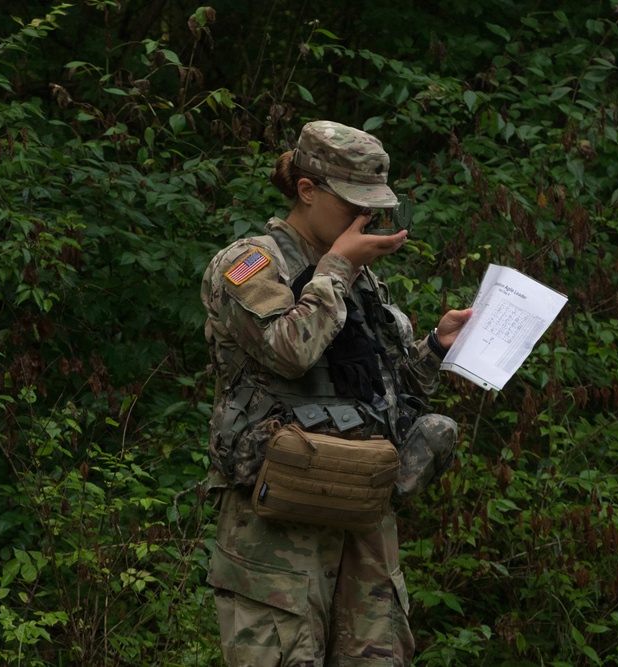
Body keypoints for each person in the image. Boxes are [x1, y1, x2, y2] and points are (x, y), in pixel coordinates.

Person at [200, 120, 473, 666]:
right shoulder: (249, 264)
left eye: (374, 208)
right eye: (353, 205)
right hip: (279, 526)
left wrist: (437, 349)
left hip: (363, 516)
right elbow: (289, 350)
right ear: (307, 190)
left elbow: (385, 390)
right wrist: (338, 269)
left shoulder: (363, 280)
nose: (365, 221)